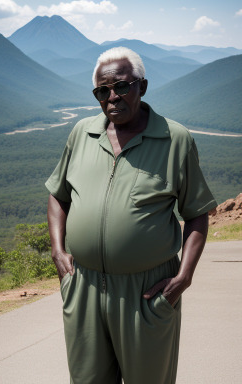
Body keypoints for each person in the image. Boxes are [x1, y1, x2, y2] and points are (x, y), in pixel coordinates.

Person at [46, 47, 217, 384]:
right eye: (102, 91)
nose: (113, 98)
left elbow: (197, 213)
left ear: (143, 86)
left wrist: (184, 277)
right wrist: (57, 250)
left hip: (148, 292)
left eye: (122, 86)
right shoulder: (81, 133)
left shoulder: (175, 139)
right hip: (84, 285)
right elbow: (58, 195)